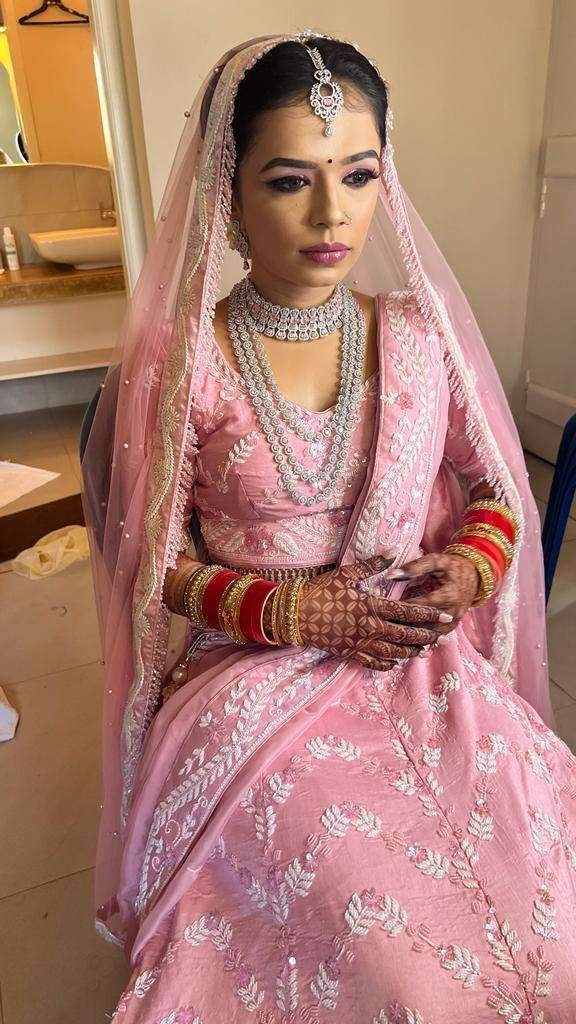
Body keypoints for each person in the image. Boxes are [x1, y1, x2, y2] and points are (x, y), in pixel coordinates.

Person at [80, 31, 576, 1022]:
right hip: (251, 676)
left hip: (418, 657)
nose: (331, 213)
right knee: (392, 954)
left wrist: (470, 570)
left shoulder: (418, 335)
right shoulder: (185, 361)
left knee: (545, 914)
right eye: (289, 180)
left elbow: (496, 487)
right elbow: (156, 564)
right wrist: (297, 613)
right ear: (229, 194)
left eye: (358, 174)